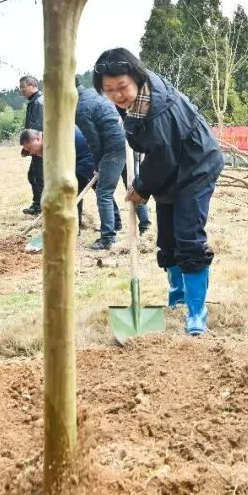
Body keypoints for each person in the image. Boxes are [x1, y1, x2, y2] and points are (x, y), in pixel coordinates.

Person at [93, 47, 223, 334]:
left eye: (122, 87)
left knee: (188, 236)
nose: (117, 95)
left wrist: (140, 187)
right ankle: (176, 298)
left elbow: (162, 156)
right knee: (167, 238)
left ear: (136, 78)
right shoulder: (138, 96)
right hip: (172, 167)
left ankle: (196, 311)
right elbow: (159, 153)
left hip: (196, 165)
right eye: (109, 89)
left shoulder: (156, 110)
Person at [75, 78, 127, 250]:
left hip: (112, 147)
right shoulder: (92, 93)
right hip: (123, 142)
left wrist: (97, 164)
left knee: (103, 192)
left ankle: (107, 238)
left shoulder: (81, 109)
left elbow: (94, 141)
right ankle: (131, 226)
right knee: (132, 185)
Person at [18, 127, 95, 227]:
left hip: (87, 157)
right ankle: (75, 225)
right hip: (79, 158)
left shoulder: (52, 140)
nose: (31, 152)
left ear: (37, 139)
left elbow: (60, 169)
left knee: (74, 190)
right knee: (74, 191)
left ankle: (74, 226)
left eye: (29, 148)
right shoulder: (48, 137)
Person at [19, 75, 44, 215]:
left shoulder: (38, 103)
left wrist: (30, 147)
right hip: (34, 146)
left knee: (39, 177)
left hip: (38, 147)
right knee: (33, 175)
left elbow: (35, 129)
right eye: (20, 87)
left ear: (33, 85)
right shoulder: (34, 101)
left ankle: (42, 207)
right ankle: (37, 204)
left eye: (23, 86)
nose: (21, 90)